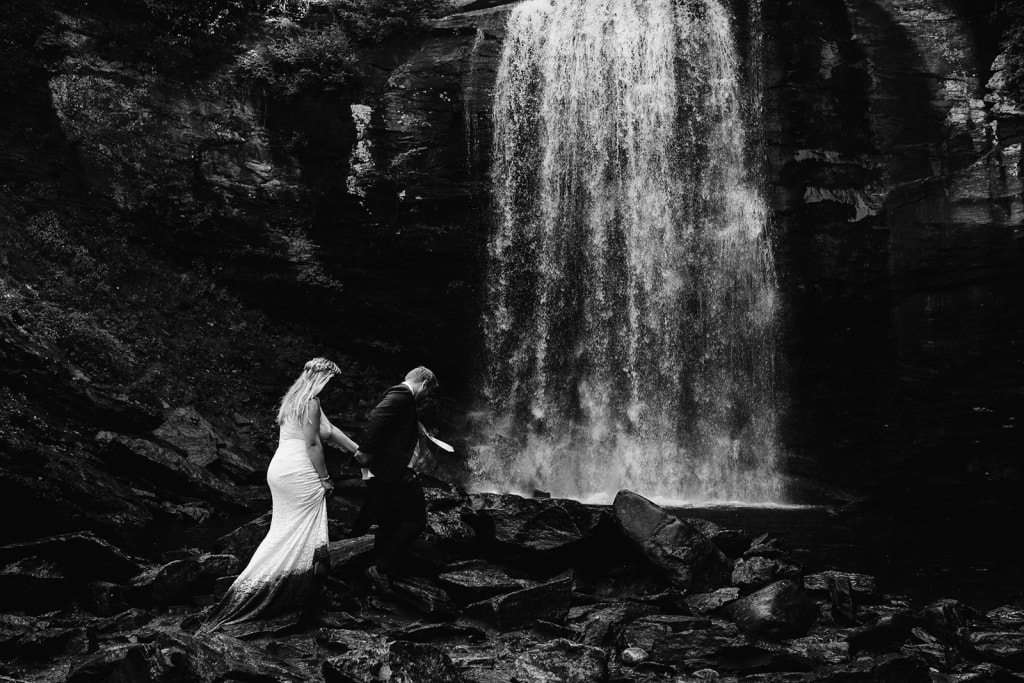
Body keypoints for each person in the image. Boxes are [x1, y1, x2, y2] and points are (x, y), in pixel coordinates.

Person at [200, 357, 359, 632]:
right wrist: (325, 479)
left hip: (279, 470)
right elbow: (312, 443)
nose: (332, 388)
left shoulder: (294, 399)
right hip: (301, 472)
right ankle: (276, 590)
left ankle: (284, 585)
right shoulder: (311, 402)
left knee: (283, 532)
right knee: (305, 533)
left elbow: (329, 431)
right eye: (331, 382)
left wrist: (358, 451)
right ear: (322, 379)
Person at [354, 366, 438, 591]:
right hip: (395, 471)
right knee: (416, 520)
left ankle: (375, 569)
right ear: (424, 384)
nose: (425, 398)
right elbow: (377, 416)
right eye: (427, 392)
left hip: (386, 471)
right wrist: (366, 449)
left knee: (389, 520)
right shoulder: (402, 394)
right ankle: (379, 568)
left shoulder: (401, 397)